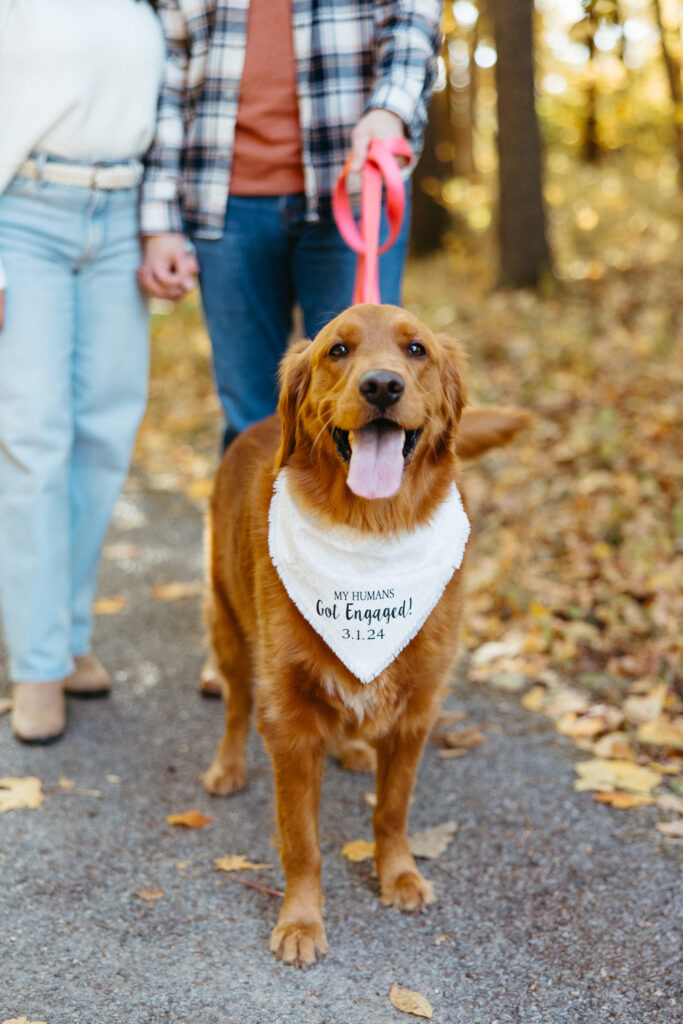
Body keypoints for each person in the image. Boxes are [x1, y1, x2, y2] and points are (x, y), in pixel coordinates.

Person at [138, 0, 442, 450]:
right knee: (250, 419)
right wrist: (160, 220)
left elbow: (413, 19)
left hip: (354, 192)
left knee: (366, 407)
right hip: (223, 204)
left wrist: (391, 108)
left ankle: (366, 497)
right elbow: (170, 80)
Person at [0, 0, 165, 742]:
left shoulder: (147, 6)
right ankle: (35, 664)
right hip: (24, 213)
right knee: (34, 437)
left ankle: (66, 635)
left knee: (105, 432)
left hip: (123, 216)